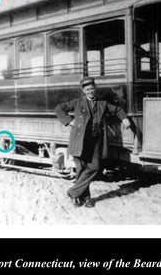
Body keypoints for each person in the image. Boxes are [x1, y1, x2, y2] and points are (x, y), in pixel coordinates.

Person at [55, 77, 131, 208]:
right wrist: (69, 121)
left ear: (95, 89)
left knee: (94, 168)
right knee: (80, 170)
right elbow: (59, 108)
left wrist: (125, 119)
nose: (90, 91)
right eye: (87, 89)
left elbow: (117, 110)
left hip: (95, 141)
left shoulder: (102, 103)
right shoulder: (78, 102)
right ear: (84, 91)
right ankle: (85, 198)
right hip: (79, 141)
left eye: (92, 89)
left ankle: (73, 192)